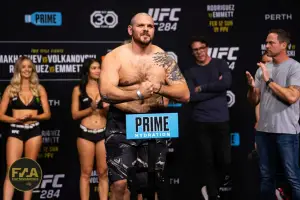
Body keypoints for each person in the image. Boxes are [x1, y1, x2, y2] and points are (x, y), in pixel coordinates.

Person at [99, 12, 189, 200]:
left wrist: (159, 87)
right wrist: (137, 93)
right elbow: (106, 91)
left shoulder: (163, 58)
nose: (146, 29)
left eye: (150, 26)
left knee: (151, 183)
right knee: (119, 183)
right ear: (131, 30)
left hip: (153, 121)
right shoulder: (115, 57)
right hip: (122, 122)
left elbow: (184, 94)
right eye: (141, 26)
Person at [246, 29, 300, 200]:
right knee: (266, 178)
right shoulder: (264, 68)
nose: (267, 45)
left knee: (292, 178)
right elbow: (254, 101)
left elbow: (292, 97)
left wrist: (269, 81)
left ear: (283, 45)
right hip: (263, 131)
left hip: (286, 131)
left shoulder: (294, 67)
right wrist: (252, 87)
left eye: (271, 42)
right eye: (266, 42)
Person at [183, 36, 232, 200]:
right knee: (207, 160)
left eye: (202, 48)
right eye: (196, 49)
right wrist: (217, 90)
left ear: (207, 47)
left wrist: (203, 88)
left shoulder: (220, 64)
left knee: (225, 160)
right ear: (192, 52)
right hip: (201, 121)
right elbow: (192, 96)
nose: (199, 52)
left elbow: (226, 84)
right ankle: (213, 194)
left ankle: (214, 187)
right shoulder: (190, 71)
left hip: (221, 119)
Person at [0, 56, 51, 200]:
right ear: (18, 70)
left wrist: (34, 117)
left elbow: (47, 114)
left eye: (29, 66)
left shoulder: (39, 89)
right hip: (15, 130)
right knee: (12, 169)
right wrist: (15, 119)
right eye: (23, 67)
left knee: (30, 169)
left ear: (33, 69)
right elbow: (0, 115)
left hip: (33, 130)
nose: (27, 69)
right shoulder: (11, 89)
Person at [71, 58, 109, 200]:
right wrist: (90, 109)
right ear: (87, 71)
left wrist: (105, 108)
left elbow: (108, 114)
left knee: (103, 172)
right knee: (86, 172)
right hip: (85, 133)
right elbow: (75, 114)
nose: (97, 70)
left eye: (99, 68)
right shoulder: (78, 89)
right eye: (94, 68)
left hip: (103, 133)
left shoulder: (105, 88)